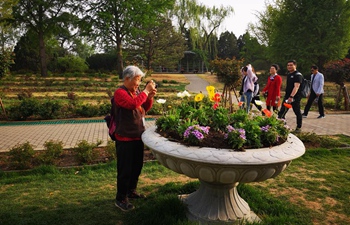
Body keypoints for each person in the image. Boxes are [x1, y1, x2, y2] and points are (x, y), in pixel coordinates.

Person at [113, 65, 157, 211]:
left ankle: (131, 191)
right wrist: (145, 91)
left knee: (136, 167)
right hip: (125, 138)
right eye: (137, 80)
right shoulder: (120, 93)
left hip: (138, 136)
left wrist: (149, 97)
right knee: (125, 170)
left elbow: (143, 109)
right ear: (127, 78)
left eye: (140, 80)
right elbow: (132, 105)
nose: (138, 84)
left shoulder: (135, 92)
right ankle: (121, 198)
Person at [278, 60, 303, 132]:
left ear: (295, 66)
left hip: (295, 97)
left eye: (291, 65)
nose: (289, 66)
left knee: (297, 111)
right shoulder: (289, 74)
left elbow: (296, 87)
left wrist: (291, 97)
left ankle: (298, 127)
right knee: (282, 112)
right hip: (287, 96)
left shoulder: (298, 75)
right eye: (288, 65)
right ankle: (283, 126)